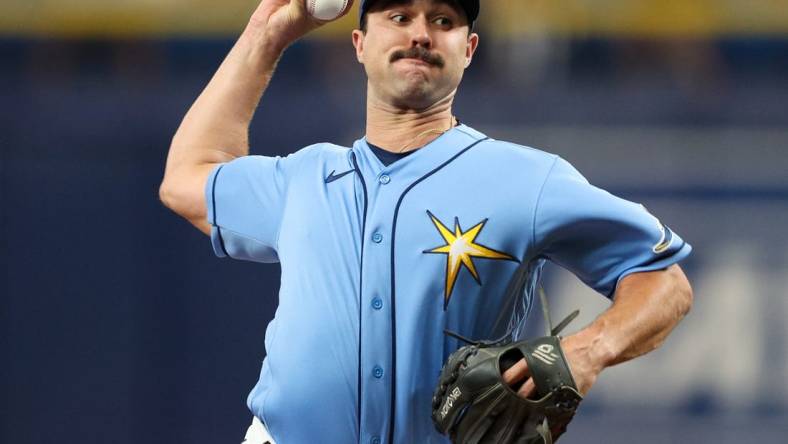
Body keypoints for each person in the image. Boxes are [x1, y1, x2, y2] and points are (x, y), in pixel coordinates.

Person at [159, 0, 694, 443]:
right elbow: (186, 179)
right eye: (398, 16)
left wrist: (586, 351)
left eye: (442, 21)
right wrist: (266, 35)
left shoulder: (526, 180)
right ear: (359, 44)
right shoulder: (303, 178)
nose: (420, 34)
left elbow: (665, 284)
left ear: (469, 50)